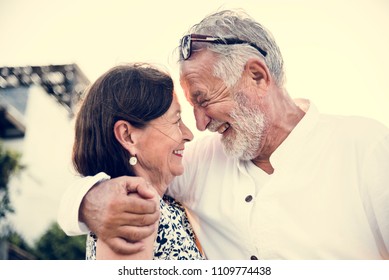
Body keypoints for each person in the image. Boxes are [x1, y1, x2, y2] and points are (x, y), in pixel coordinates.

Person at [58, 9, 389, 259]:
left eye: (203, 100)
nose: (200, 125)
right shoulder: (200, 160)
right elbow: (134, 169)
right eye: (189, 108)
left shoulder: (367, 148)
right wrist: (88, 201)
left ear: (257, 76)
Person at [68, 62, 205, 260]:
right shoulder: (131, 210)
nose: (189, 134)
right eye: (176, 121)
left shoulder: (158, 203)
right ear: (128, 136)